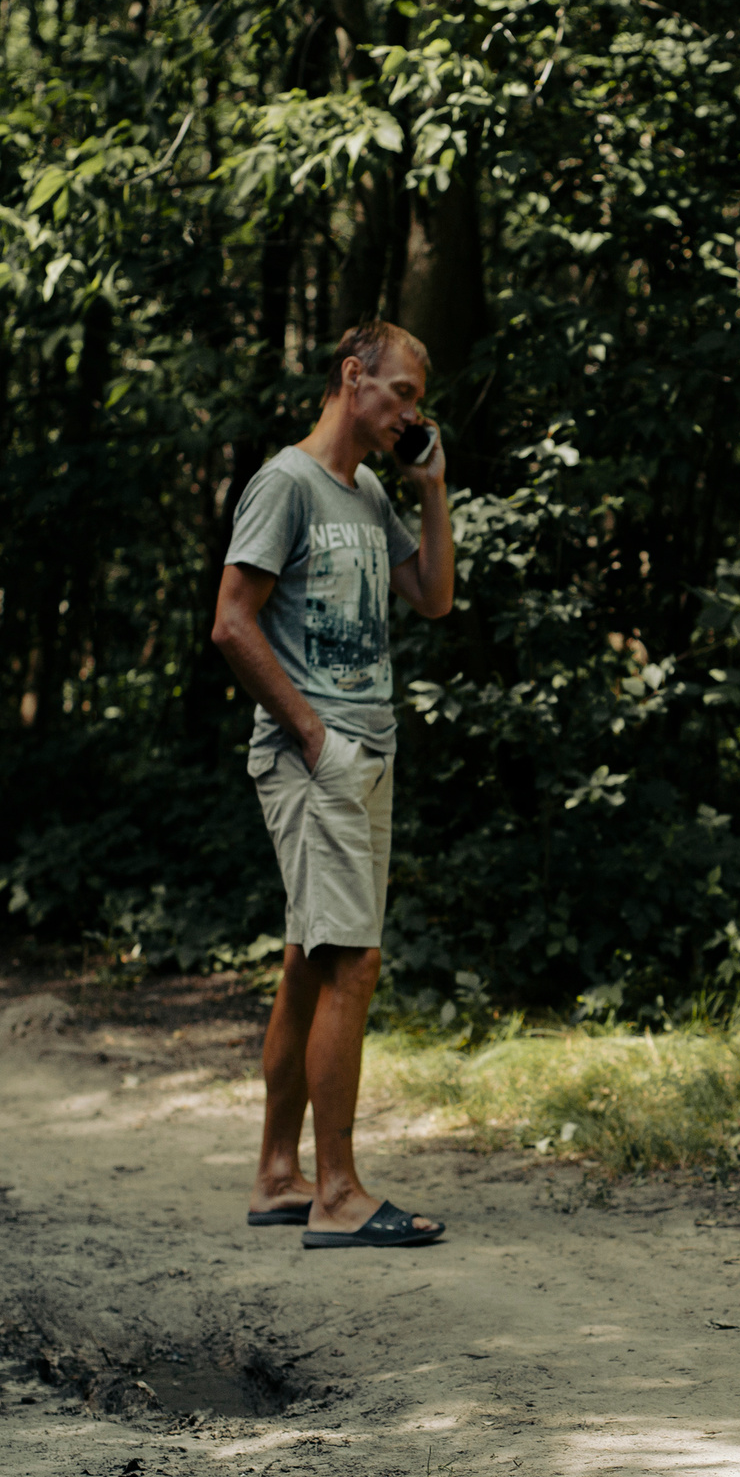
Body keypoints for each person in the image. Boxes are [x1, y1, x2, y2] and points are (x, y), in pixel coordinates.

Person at [211, 321, 454, 1250]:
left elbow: (431, 596)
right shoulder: (288, 483)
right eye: (397, 393)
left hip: (360, 757)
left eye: (416, 402)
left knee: (312, 961)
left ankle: (281, 1174)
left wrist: (432, 491)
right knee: (353, 960)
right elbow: (233, 623)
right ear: (352, 379)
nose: (407, 414)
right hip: (321, 760)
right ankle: (339, 1193)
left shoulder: (367, 493)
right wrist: (314, 739)